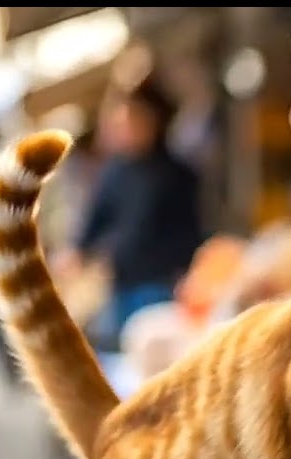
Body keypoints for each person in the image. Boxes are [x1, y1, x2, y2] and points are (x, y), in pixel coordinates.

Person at [58, 75, 205, 349]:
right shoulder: (115, 172)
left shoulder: (177, 173)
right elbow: (97, 217)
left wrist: (189, 271)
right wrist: (77, 250)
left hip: (163, 282)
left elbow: (191, 229)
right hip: (122, 280)